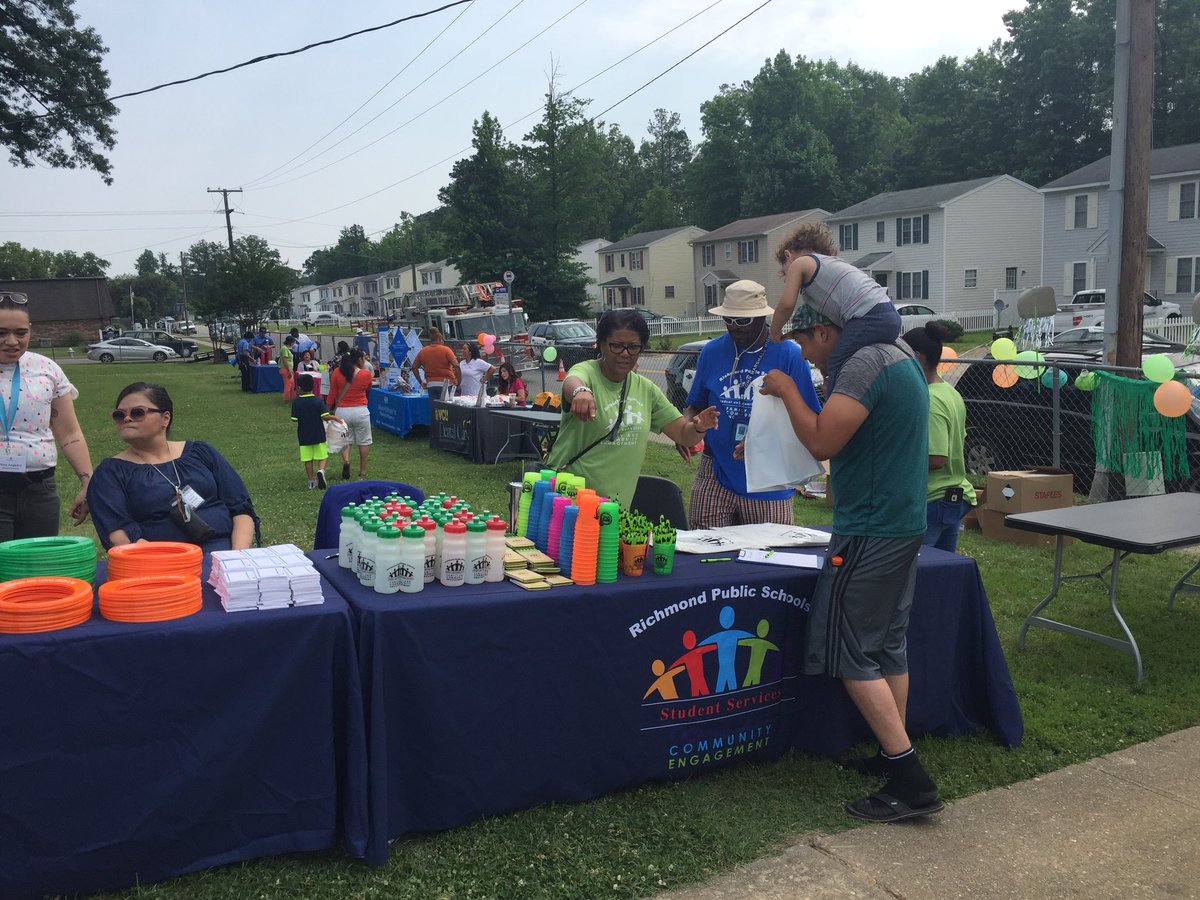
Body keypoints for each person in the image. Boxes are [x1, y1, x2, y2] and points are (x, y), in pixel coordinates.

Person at [757, 304, 938, 823]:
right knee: (888, 644)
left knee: (849, 649)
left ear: (823, 330)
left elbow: (822, 439)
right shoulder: (899, 354)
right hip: (903, 521)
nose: (808, 360)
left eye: (804, 347)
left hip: (869, 527)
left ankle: (910, 778)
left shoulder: (861, 362)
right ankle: (891, 750)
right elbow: (850, 433)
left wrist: (787, 391)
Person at [546, 308, 719, 509]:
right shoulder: (587, 372)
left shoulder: (646, 390)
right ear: (601, 344)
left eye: (633, 347)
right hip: (566, 503)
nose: (625, 354)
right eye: (616, 346)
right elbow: (573, 380)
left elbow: (683, 434)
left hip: (613, 511)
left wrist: (699, 427)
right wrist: (581, 392)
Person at [684, 280, 821, 528]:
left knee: (769, 549)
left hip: (769, 478)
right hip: (715, 469)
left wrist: (763, 439)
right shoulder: (711, 351)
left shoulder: (789, 355)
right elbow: (695, 405)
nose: (734, 326)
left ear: (761, 317)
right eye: (729, 319)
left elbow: (809, 418)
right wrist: (687, 429)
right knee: (703, 545)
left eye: (743, 320)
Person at [88, 382, 257, 552]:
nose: (127, 419)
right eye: (119, 415)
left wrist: (237, 556)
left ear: (165, 418)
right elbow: (119, 534)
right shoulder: (110, 473)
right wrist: (176, 562)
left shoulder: (201, 452)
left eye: (137, 412)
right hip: (159, 560)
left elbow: (240, 508)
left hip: (225, 554)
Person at [0, 290, 94, 539]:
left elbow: (70, 433)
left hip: (39, 489)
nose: (12, 341)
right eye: (1, 333)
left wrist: (88, 482)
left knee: (39, 561)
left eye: (21, 333)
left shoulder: (46, 368)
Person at [769, 222, 901, 394]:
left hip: (869, 315)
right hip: (887, 313)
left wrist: (774, 332)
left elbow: (786, 305)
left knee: (837, 361)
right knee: (849, 357)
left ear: (788, 255)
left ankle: (834, 403)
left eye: (785, 274)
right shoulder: (829, 269)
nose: (788, 280)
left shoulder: (799, 263)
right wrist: (789, 335)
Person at [901, 323, 975, 552]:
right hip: (952, 496)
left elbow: (936, 458)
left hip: (934, 498)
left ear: (916, 357)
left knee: (913, 564)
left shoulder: (930, 400)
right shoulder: (950, 392)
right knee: (941, 565)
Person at [327, 348, 373, 480]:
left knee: (346, 440)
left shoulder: (337, 372)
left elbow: (332, 394)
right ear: (359, 359)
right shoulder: (365, 374)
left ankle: (346, 461)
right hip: (361, 411)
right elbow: (368, 387)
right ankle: (362, 471)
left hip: (342, 411)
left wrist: (327, 409)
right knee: (363, 442)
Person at [291, 373, 333, 489]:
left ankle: (311, 481)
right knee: (323, 455)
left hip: (304, 435)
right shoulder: (318, 401)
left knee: (308, 459)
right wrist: (334, 417)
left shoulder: (296, 402)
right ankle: (321, 470)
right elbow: (325, 416)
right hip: (318, 433)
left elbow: (294, 419)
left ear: (299, 388)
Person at [412, 329, 460, 400]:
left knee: (434, 406)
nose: (443, 343)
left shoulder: (423, 351)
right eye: (443, 341)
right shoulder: (446, 350)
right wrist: (458, 380)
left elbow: (414, 367)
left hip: (431, 385)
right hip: (446, 384)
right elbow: (456, 366)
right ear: (439, 339)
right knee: (446, 406)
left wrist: (421, 382)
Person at [279, 335, 296, 401]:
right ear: (291, 343)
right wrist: (288, 370)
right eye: (293, 343)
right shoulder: (284, 349)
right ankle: (286, 399)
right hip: (286, 369)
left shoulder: (287, 349)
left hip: (289, 369)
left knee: (292, 385)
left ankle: (293, 398)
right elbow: (285, 360)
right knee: (288, 385)